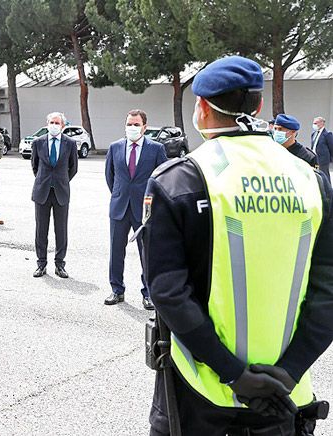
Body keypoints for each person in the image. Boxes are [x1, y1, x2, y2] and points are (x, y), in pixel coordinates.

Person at [143, 56, 333, 435]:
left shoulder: (179, 180)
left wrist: (235, 375)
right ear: (259, 106)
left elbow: (168, 292)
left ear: (201, 108)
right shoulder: (313, 181)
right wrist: (289, 372)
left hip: (198, 391)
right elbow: (327, 291)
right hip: (285, 392)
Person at [104, 109, 167, 310]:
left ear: (144, 127)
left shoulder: (156, 149)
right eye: (129, 124)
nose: (132, 128)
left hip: (145, 211)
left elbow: (162, 179)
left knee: (147, 254)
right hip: (119, 208)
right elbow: (110, 177)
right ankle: (117, 289)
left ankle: (148, 293)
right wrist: (119, 195)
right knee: (116, 251)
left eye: (136, 124)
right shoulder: (115, 147)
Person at [31, 112, 78, 279]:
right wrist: (45, 180)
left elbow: (73, 168)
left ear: (63, 126)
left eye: (57, 122)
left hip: (61, 192)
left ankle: (60, 264)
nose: (54, 125)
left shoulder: (70, 143)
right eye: (51, 122)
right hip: (42, 192)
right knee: (41, 230)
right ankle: (41, 264)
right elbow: (35, 166)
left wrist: (61, 181)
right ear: (47, 123)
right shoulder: (38, 142)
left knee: (61, 230)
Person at [312, 117, 333, 182]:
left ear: (322, 123)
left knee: (324, 175)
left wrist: (330, 159)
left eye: (316, 123)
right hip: (314, 158)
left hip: (323, 159)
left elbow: (331, 147)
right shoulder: (314, 134)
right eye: (313, 123)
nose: (314, 125)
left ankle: (328, 191)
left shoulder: (327, 134)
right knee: (316, 175)